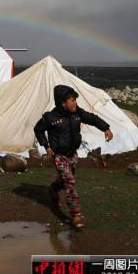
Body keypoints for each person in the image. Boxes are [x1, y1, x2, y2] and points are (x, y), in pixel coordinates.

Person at [34, 85, 113, 228]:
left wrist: (106, 128)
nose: (75, 103)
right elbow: (38, 129)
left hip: (72, 154)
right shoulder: (50, 117)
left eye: (75, 100)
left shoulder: (77, 113)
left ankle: (52, 189)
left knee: (65, 180)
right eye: (72, 101)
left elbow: (92, 118)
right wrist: (46, 146)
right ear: (62, 103)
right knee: (70, 183)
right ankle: (76, 215)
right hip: (59, 155)